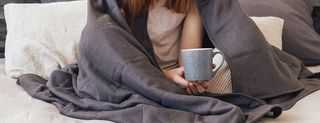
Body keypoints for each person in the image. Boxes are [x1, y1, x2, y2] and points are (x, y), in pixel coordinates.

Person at [120, 0, 231, 95]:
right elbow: (121, 60)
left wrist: (195, 79)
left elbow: (189, 57)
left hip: (177, 74)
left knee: (229, 55)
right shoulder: (123, 5)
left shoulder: (189, 3)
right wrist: (167, 75)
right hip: (139, 73)